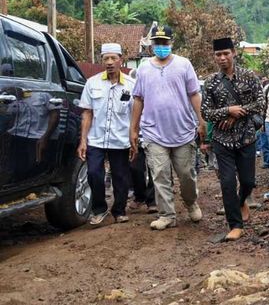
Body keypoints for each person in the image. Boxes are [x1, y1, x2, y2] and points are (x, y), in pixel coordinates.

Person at [129, 25, 206, 230]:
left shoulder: (184, 64)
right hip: (154, 132)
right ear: (152, 44)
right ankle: (167, 215)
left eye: (165, 42)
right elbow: (138, 99)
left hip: (182, 130)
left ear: (171, 43)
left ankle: (191, 203)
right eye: (157, 43)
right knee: (160, 175)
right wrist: (133, 129)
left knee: (186, 174)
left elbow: (194, 94)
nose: (161, 46)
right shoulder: (144, 68)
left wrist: (201, 121)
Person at [201, 38, 265, 241]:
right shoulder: (211, 82)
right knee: (227, 182)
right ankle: (235, 224)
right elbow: (206, 112)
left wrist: (237, 113)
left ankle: (241, 201)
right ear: (214, 57)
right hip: (222, 140)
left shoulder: (249, 76)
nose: (222, 58)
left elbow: (261, 102)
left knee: (248, 181)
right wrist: (227, 110)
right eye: (218, 55)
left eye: (226, 53)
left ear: (233, 53)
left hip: (246, 137)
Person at [78, 43, 135, 225]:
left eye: (113, 58)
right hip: (96, 138)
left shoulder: (132, 85)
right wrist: (83, 140)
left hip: (120, 139)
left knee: (120, 177)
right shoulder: (92, 83)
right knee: (94, 173)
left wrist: (135, 138)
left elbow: (136, 115)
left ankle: (119, 210)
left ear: (121, 60)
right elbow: (87, 113)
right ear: (101, 60)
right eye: (106, 58)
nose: (110, 62)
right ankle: (99, 209)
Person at [127, 65, 157, 214]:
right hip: (137, 136)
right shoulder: (132, 92)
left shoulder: (156, 91)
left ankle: (152, 200)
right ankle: (139, 196)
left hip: (154, 135)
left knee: (154, 168)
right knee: (135, 167)